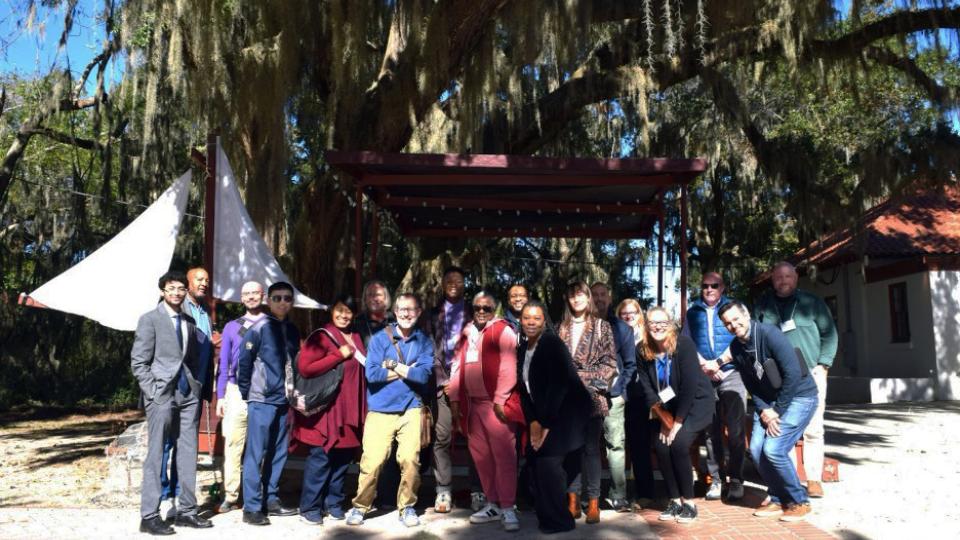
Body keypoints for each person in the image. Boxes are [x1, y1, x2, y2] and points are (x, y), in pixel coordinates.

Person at [719, 301, 819, 521]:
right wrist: (765, 409)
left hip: (799, 396)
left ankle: (798, 500)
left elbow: (793, 373)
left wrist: (777, 411)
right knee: (756, 451)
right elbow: (752, 385)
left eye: (736, 319)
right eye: (727, 323)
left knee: (773, 449)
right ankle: (777, 498)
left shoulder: (768, 334)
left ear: (746, 315)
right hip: (769, 402)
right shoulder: (737, 348)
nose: (734, 326)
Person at [131, 271, 212, 535]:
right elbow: (139, 362)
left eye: (180, 288)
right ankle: (150, 515)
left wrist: (196, 387)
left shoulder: (189, 320)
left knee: (188, 452)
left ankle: (187, 511)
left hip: (188, 393)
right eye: (171, 288)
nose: (176, 292)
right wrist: (153, 392)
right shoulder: (150, 319)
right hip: (161, 394)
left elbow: (191, 358)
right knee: (156, 454)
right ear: (162, 291)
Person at [346, 293, 434, 528]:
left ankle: (407, 507)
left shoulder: (424, 341)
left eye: (411, 309)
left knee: (409, 460)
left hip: (411, 408)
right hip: (380, 409)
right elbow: (372, 375)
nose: (406, 313)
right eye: (402, 309)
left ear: (418, 312)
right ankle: (360, 506)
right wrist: (406, 369)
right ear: (395, 312)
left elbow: (423, 376)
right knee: (372, 461)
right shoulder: (379, 339)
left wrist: (392, 365)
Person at [754, 261, 838, 498]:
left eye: (788, 276)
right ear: (773, 280)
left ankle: (813, 479)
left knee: (813, 428)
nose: (783, 281)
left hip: (810, 372)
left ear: (796, 278)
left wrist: (824, 364)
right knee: (784, 430)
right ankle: (788, 478)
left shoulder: (812, 303)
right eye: (778, 277)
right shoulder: (763, 306)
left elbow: (829, 334)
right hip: (777, 377)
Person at [448, 291, 521, 532]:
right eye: (477, 307)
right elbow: (457, 367)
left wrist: (500, 400)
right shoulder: (467, 333)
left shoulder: (504, 330)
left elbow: (509, 367)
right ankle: (492, 504)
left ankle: (509, 507)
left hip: (495, 406)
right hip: (472, 407)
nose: (481, 312)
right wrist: (455, 400)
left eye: (486, 308)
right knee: (482, 458)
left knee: (504, 458)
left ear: (495, 310)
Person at [518, 301, 593, 534]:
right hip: (544, 413)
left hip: (566, 413)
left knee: (548, 463)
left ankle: (560, 521)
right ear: (520, 321)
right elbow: (524, 389)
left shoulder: (551, 343)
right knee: (535, 460)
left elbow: (558, 386)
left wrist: (545, 424)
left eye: (537, 318)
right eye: (527, 318)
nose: (531, 322)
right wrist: (532, 421)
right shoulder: (522, 348)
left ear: (544, 321)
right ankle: (544, 512)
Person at [293, 293, 367, 525]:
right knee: (321, 458)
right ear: (331, 310)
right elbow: (306, 368)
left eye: (349, 311)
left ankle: (333, 503)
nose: (344, 315)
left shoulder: (356, 336)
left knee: (343, 460)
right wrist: (337, 355)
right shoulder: (322, 336)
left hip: (350, 409)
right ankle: (309, 507)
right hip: (328, 410)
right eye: (340, 309)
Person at [635, 307, 714, 524]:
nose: (658, 326)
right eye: (653, 322)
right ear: (646, 325)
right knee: (661, 446)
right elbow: (648, 388)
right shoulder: (642, 350)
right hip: (668, 407)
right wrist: (664, 418)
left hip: (697, 402)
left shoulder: (683, 345)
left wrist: (677, 422)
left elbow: (689, 386)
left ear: (670, 324)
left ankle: (689, 503)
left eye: (662, 322)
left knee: (678, 444)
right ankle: (674, 501)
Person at [158, 266, 219, 519]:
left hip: (195, 386)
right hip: (173, 386)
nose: (204, 283)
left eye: (206, 279)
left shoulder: (204, 312)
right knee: (166, 443)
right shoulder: (175, 308)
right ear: (187, 283)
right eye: (198, 279)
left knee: (185, 445)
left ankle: (181, 499)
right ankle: (164, 496)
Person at [237, 282, 300, 526]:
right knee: (255, 453)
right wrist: (248, 392)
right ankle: (251, 507)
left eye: (287, 298)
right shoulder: (258, 327)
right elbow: (244, 362)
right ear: (269, 300)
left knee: (278, 451)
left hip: (285, 400)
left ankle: (271, 500)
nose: (283, 302)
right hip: (261, 399)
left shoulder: (293, 330)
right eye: (277, 298)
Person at [556, 281, 618, 524]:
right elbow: (556, 365)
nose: (577, 299)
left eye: (581, 294)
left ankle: (593, 502)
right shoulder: (561, 327)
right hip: (566, 399)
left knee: (591, 450)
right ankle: (572, 501)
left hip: (592, 397)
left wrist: (582, 378)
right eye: (572, 295)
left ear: (588, 297)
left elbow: (609, 363)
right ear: (568, 300)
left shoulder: (602, 327)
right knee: (571, 449)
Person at [683, 272, 746, 501]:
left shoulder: (734, 309)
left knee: (737, 430)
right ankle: (716, 480)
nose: (709, 289)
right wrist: (705, 366)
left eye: (714, 285)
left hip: (732, 373)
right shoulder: (692, 313)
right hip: (705, 376)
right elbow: (687, 343)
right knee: (710, 432)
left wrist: (720, 363)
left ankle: (736, 480)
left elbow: (741, 337)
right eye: (705, 286)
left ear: (723, 287)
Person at [426, 266, 483, 512]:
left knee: (474, 439)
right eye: (449, 279)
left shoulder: (476, 312)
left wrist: (463, 382)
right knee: (442, 438)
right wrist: (444, 381)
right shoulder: (431, 314)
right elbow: (428, 349)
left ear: (464, 285)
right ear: (442, 284)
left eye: (458, 280)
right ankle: (443, 491)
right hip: (442, 385)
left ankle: (478, 490)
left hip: (470, 385)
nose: (453, 283)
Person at [215, 281, 266, 513]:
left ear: (262, 296)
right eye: (246, 294)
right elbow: (223, 362)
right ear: (241, 298)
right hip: (236, 391)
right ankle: (231, 494)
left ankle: (255, 495)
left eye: (255, 292)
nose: (251, 297)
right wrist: (221, 395)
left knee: (259, 447)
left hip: (263, 392)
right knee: (234, 445)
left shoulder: (271, 324)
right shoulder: (232, 327)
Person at [590, 282, 637, 512]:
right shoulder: (580, 327)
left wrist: (620, 390)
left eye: (602, 294)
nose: (599, 299)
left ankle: (618, 494)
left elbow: (630, 365)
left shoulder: (623, 329)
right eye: (594, 295)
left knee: (615, 446)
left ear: (609, 298)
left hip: (613, 397)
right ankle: (588, 495)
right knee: (587, 446)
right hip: (586, 396)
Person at [618, 298, 657, 508]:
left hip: (645, 397)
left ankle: (646, 492)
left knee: (645, 445)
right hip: (624, 396)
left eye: (633, 312)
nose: (629, 315)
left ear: (640, 314)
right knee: (625, 446)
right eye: (624, 312)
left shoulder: (649, 336)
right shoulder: (615, 334)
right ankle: (623, 492)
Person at [355, 280, 395, 348]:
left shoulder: (396, 320)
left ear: (386, 298)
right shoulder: (358, 322)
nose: (374, 298)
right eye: (370, 295)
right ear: (365, 299)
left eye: (378, 294)